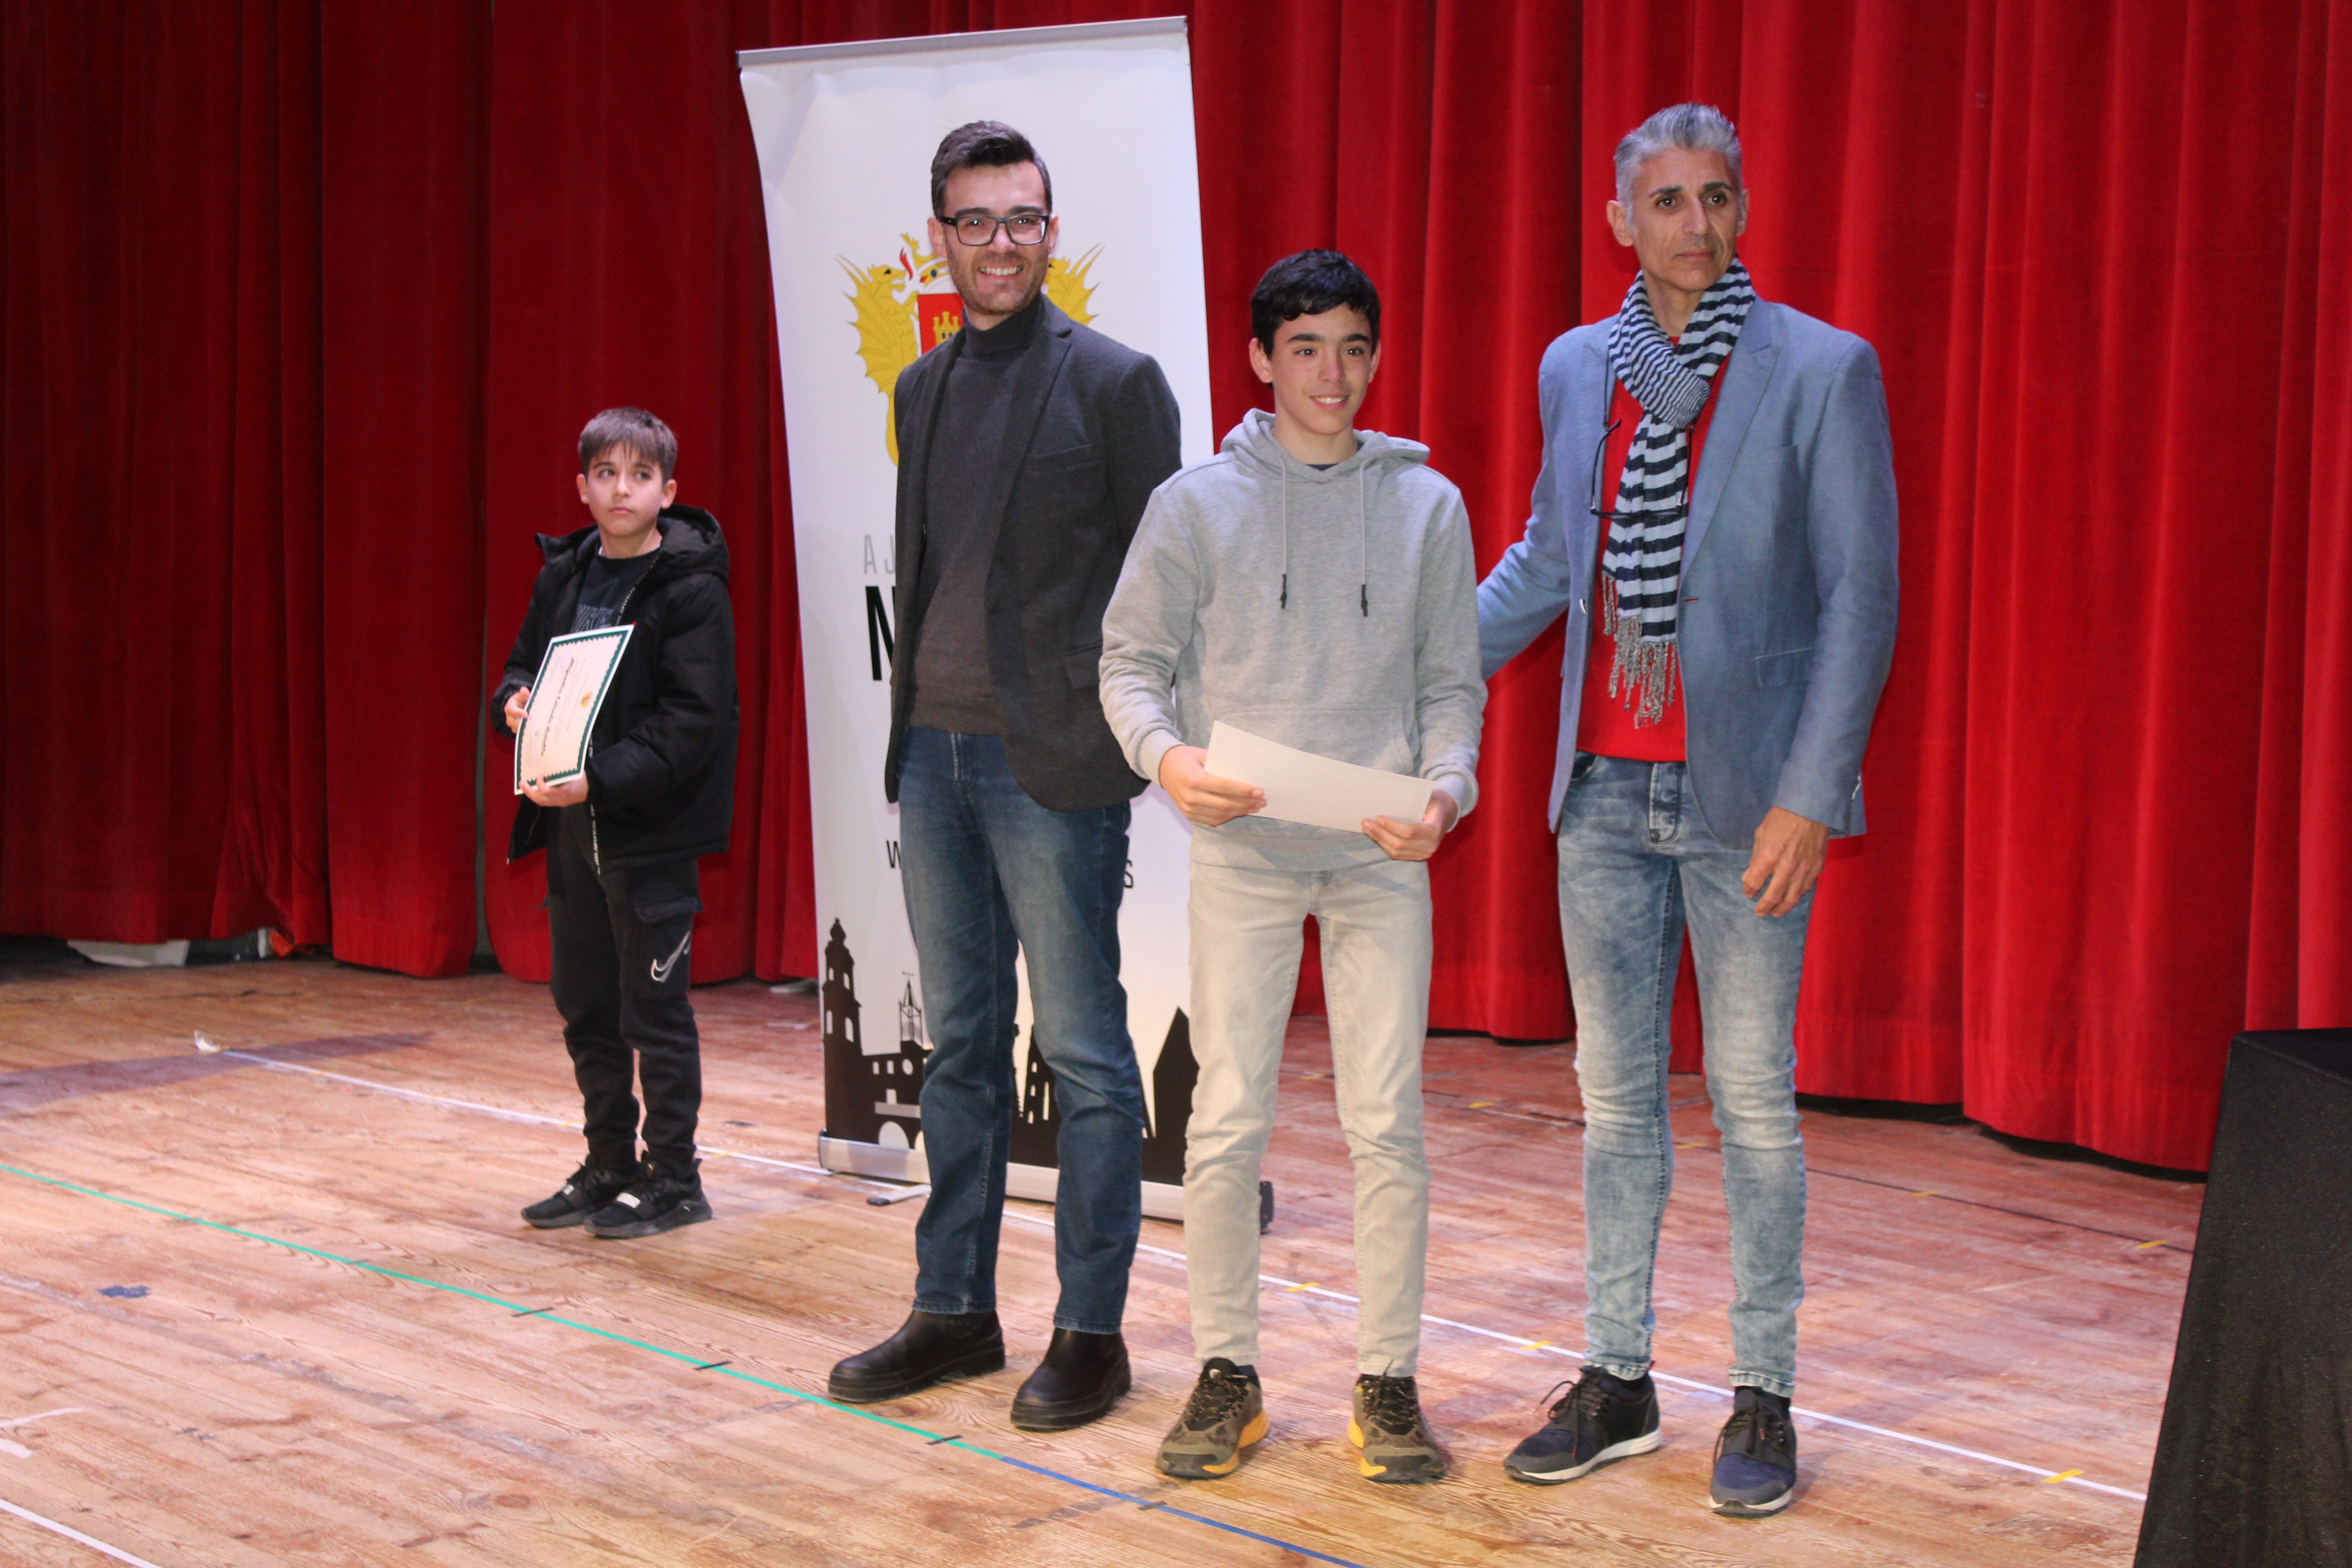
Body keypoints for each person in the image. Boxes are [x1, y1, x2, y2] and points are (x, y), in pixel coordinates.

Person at [1476, 103, 1899, 1516]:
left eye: (1716, 197)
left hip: (1745, 802)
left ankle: (1762, 1393)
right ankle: (1618, 1378)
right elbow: (1548, 565)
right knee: (1613, 1106)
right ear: (1622, 222)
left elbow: (1860, 604)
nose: (1696, 224)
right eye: (1668, 200)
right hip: (1600, 790)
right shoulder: (1577, 367)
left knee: (1755, 1107)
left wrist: (1809, 797)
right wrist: (1405, 668)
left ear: (1743, 211)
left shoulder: (1822, 368)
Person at [1100, 250, 1485, 1485]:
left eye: (1354, 348)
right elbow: (1129, 665)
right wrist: (1168, 761)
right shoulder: (1194, 505)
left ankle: (1388, 1382)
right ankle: (1228, 1373)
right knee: (1225, 1124)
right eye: (1307, 347)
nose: (1334, 373)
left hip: (1379, 859)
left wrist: (1449, 790)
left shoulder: (1427, 506)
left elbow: (1452, 689)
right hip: (1246, 858)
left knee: (1389, 1128)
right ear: (1261, 359)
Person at [825, 122, 1182, 1432]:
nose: (1000, 244)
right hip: (933, 755)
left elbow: (1162, 588)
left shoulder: (1118, 382)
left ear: (1050, 229)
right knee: (962, 1050)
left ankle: (1092, 1334)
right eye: (974, 222)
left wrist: (1142, 732)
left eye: (1022, 219)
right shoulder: (919, 389)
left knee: (1084, 1054)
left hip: (1057, 766)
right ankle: (955, 1313)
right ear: (941, 238)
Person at [499, 407, 740, 1240]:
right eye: (606, 474)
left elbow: (691, 723)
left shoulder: (693, 588)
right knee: (587, 1006)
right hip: (572, 836)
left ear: (668, 492)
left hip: (651, 835)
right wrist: (513, 705)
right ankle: (610, 1163)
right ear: (583, 486)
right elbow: (519, 666)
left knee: (655, 1013)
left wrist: (596, 780)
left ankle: (676, 1177)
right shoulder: (564, 575)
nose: (622, 490)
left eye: (641, 476)